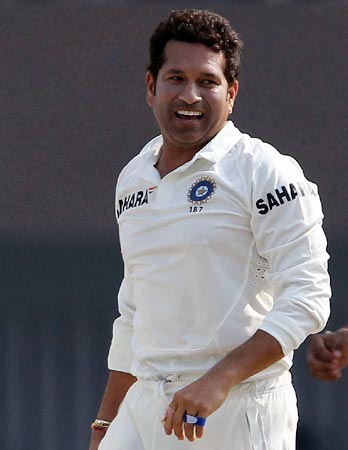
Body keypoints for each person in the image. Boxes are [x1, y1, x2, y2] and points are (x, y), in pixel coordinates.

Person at [89, 9, 331, 450]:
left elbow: (308, 297)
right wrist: (105, 424)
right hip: (146, 405)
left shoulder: (266, 171)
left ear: (232, 92)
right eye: (176, 78)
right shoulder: (135, 177)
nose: (191, 95)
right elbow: (134, 313)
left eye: (207, 81)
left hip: (236, 405)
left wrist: (219, 380)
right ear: (151, 86)